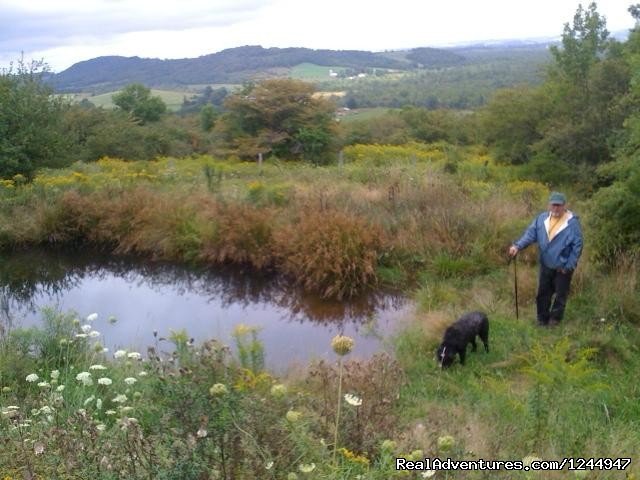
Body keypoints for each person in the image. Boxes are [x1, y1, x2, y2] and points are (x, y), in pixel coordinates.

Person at [508, 192, 583, 326]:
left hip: (563, 267)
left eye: (559, 206)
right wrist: (517, 246)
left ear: (564, 206)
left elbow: (577, 246)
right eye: (553, 205)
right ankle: (542, 319)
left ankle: (554, 320)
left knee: (560, 295)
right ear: (549, 205)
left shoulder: (572, 223)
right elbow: (530, 234)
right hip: (546, 264)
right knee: (543, 293)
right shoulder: (541, 219)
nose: (555, 208)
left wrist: (569, 266)